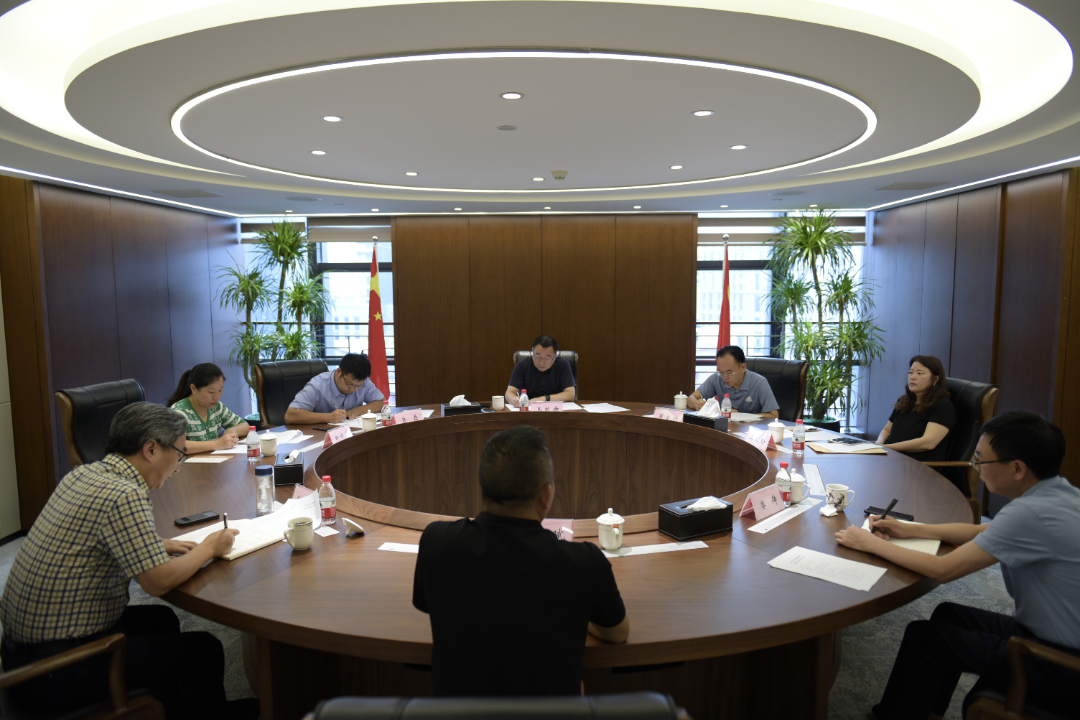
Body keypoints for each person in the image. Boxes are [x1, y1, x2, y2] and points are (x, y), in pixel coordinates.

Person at [0, 402, 251, 720]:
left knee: (161, 620)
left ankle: (176, 709)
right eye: (179, 454)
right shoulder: (124, 494)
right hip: (56, 670)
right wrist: (210, 548)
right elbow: (157, 582)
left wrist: (160, 544)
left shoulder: (85, 474)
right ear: (151, 449)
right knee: (204, 650)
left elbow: (93, 536)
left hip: (21, 650)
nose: (178, 467)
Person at [835, 411, 1080, 720]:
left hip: (1059, 664)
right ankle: (926, 712)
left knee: (925, 639)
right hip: (1052, 637)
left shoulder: (1029, 514)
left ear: (1017, 468)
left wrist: (870, 543)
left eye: (980, 460)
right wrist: (912, 530)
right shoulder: (1060, 495)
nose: (975, 467)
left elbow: (944, 570)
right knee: (949, 615)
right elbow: (986, 530)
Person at [412, 425, 629, 696]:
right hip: (556, 714)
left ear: (483, 487)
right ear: (546, 496)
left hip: (459, 713)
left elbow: (429, 605)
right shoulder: (584, 562)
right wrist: (575, 611)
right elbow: (618, 633)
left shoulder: (436, 542)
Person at [875, 355, 955, 463]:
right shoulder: (904, 401)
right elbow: (887, 430)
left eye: (919, 373)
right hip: (891, 458)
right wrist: (879, 443)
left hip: (918, 466)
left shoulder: (943, 406)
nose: (912, 377)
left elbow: (927, 443)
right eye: (911, 372)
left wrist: (886, 448)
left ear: (935, 379)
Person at [168, 362, 250, 454]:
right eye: (211, 392)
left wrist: (232, 431)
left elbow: (245, 426)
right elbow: (173, 445)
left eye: (220, 390)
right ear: (194, 388)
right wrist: (216, 444)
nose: (217, 397)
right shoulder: (179, 412)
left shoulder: (216, 407)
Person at [284, 352, 385, 424]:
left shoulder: (363, 382)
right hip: (319, 435)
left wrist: (356, 411)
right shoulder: (318, 385)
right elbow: (290, 415)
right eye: (349, 384)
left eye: (358, 386)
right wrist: (328, 417)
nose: (353, 389)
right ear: (338, 372)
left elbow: (382, 403)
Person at [687, 345, 779, 417]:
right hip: (725, 429)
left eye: (729, 373)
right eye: (721, 372)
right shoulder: (717, 378)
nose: (724, 377)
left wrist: (740, 415)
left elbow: (774, 415)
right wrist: (697, 404)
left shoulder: (760, 382)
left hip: (752, 431)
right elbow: (691, 398)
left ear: (743, 367)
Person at [505, 335, 577, 407]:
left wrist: (544, 399)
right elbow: (509, 393)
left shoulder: (563, 365)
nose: (542, 363)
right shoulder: (522, 365)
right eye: (538, 357)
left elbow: (570, 394)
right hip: (529, 407)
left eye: (547, 358)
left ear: (555, 356)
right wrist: (515, 400)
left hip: (556, 408)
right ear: (533, 351)